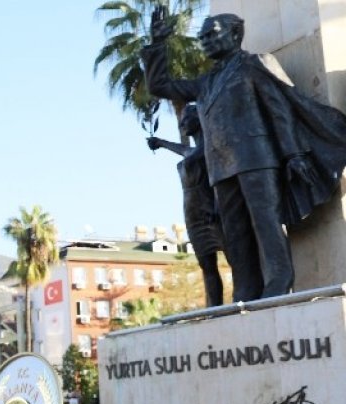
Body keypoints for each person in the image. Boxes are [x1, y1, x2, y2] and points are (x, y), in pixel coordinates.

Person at [143, 8, 346, 301]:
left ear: (235, 33)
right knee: (235, 233)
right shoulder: (205, 82)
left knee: (266, 223)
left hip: (257, 159)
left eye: (211, 35)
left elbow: (279, 110)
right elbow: (160, 86)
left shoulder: (254, 64)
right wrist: (157, 44)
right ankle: (246, 289)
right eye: (201, 37)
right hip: (220, 168)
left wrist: (294, 154)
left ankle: (279, 281)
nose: (205, 41)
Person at [147, 105, 227, 307]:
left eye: (186, 119)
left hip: (211, 211)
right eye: (181, 120)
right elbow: (183, 150)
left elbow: (219, 179)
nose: (182, 124)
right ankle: (215, 309)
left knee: (234, 258)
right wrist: (160, 142)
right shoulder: (192, 152)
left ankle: (245, 297)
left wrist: (217, 205)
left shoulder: (211, 149)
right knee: (207, 265)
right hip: (192, 215)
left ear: (199, 119)